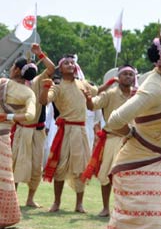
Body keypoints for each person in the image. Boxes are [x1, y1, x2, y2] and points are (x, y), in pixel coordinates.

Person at [106, 29, 161, 229]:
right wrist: (130, 134)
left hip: (157, 163)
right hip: (137, 164)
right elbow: (114, 120)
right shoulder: (154, 87)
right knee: (151, 224)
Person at [39, 54, 111, 213]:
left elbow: (97, 90)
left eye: (72, 62)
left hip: (81, 131)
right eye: (66, 63)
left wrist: (112, 82)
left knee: (81, 168)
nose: (71, 65)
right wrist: (45, 88)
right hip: (64, 131)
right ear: (61, 68)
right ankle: (56, 202)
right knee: (60, 166)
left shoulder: (83, 84)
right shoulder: (57, 86)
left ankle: (79, 204)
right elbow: (44, 101)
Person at [81, 64, 137, 217]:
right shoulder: (110, 94)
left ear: (134, 78)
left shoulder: (139, 95)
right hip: (112, 138)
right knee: (106, 175)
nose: (127, 77)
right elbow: (93, 106)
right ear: (118, 77)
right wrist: (88, 99)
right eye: (124, 74)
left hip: (132, 140)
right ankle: (106, 208)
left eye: (130, 74)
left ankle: (123, 209)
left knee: (127, 177)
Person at [12, 43, 55, 208]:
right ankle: (13, 198)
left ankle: (30, 199)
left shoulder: (36, 82)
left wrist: (40, 53)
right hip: (21, 130)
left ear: (17, 69)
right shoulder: (10, 87)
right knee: (16, 163)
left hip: (37, 130)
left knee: (37, 166)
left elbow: (51, 69)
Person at [0, 56, 38, 228]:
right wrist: (7, 117)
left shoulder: (2, 82)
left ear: (15, 69)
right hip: (3, 136)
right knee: (3, 177)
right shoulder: (29, 93)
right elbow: (30, 116)